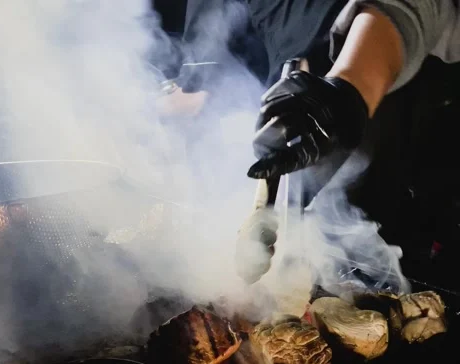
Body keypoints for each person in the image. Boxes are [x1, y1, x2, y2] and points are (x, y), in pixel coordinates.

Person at [158, 0, 460, 282]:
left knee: (369, 255)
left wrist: (350, 89)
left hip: (382, 95)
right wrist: (200, 77)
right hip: (289, 91)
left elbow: (418, 7)